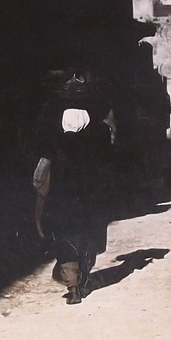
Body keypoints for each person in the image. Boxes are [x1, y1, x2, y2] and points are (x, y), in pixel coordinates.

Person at [31, 68, 114, 305]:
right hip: (89, 194)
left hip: (62, 196)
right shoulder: (96, 135)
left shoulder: (55, 138)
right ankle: (84, 277)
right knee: (87, 237)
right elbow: (109, 149)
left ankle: (73, 287)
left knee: (65, 241)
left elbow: (43, 162)